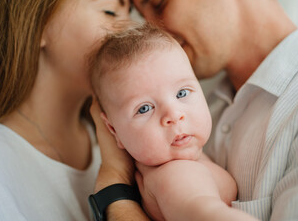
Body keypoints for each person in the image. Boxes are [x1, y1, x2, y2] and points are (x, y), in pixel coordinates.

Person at [92, 0, 298, 220]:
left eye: (160, 2)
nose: (152, 28)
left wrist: (115, 192)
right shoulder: (197, 117)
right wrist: (115, 176)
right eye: (145, 108)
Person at [0, 0, 148, 220]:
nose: (130, 32)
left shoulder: (127, 142)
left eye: (130, 16)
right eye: (110, 11)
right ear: (38, 23)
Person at [89, 23, 238, 220]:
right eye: (144, 108)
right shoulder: (175, 176)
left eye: (182, 93)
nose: (174, 115)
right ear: (113, 130)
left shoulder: (172, 169)